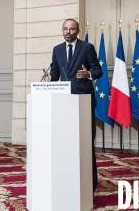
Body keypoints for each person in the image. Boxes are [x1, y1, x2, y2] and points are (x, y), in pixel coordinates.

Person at [42, 19, 102, 193]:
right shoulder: (57, 49)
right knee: (65, 144)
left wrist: (89, 73)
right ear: (62, 30)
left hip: (82, 101)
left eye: (72, 29)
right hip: (63, 104)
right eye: (65, 29)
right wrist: (49, 79)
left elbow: (98, 70)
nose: (68, 32)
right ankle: (67, 182)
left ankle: (89, 187)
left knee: (85, 145)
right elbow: (55, 73)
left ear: (77, 31)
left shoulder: (87, 47)